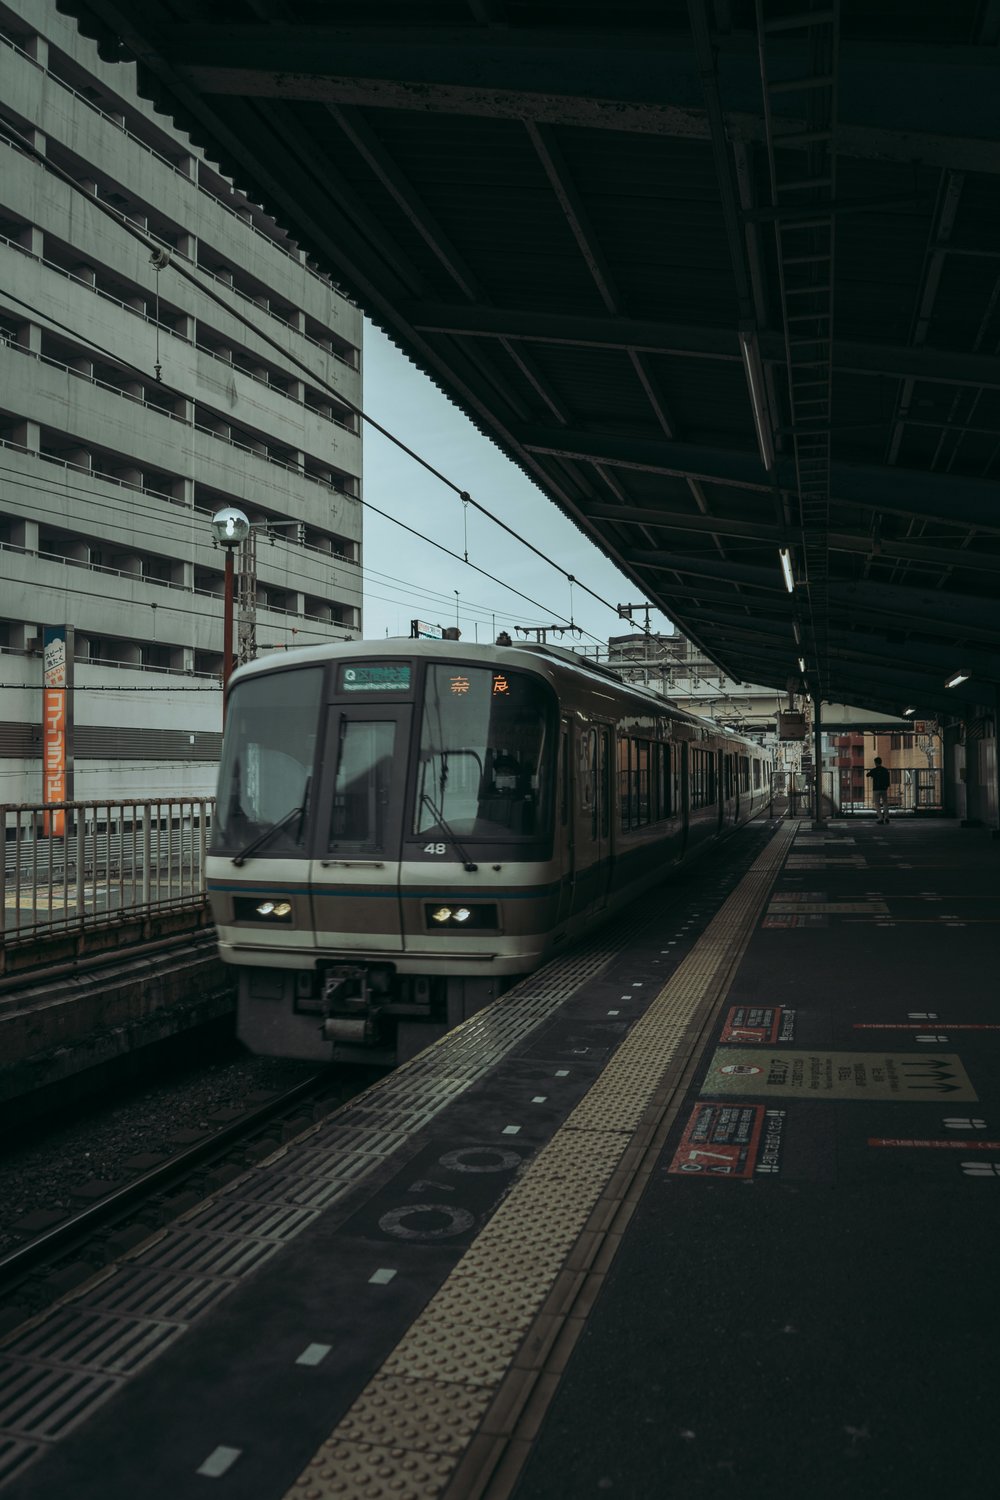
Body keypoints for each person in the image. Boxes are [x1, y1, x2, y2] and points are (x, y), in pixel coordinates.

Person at [866, 756, 891, 824]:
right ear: (881, 762)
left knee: (877, 804)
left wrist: (872, 775)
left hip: (876, 789)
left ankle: (880, 818)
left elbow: (867, 775)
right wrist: (887, 786)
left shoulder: (874, 770)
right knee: (885, 803)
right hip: (884, 789)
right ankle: (886, 817)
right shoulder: (885, 770)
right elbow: (888, 779)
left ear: (876, 763)